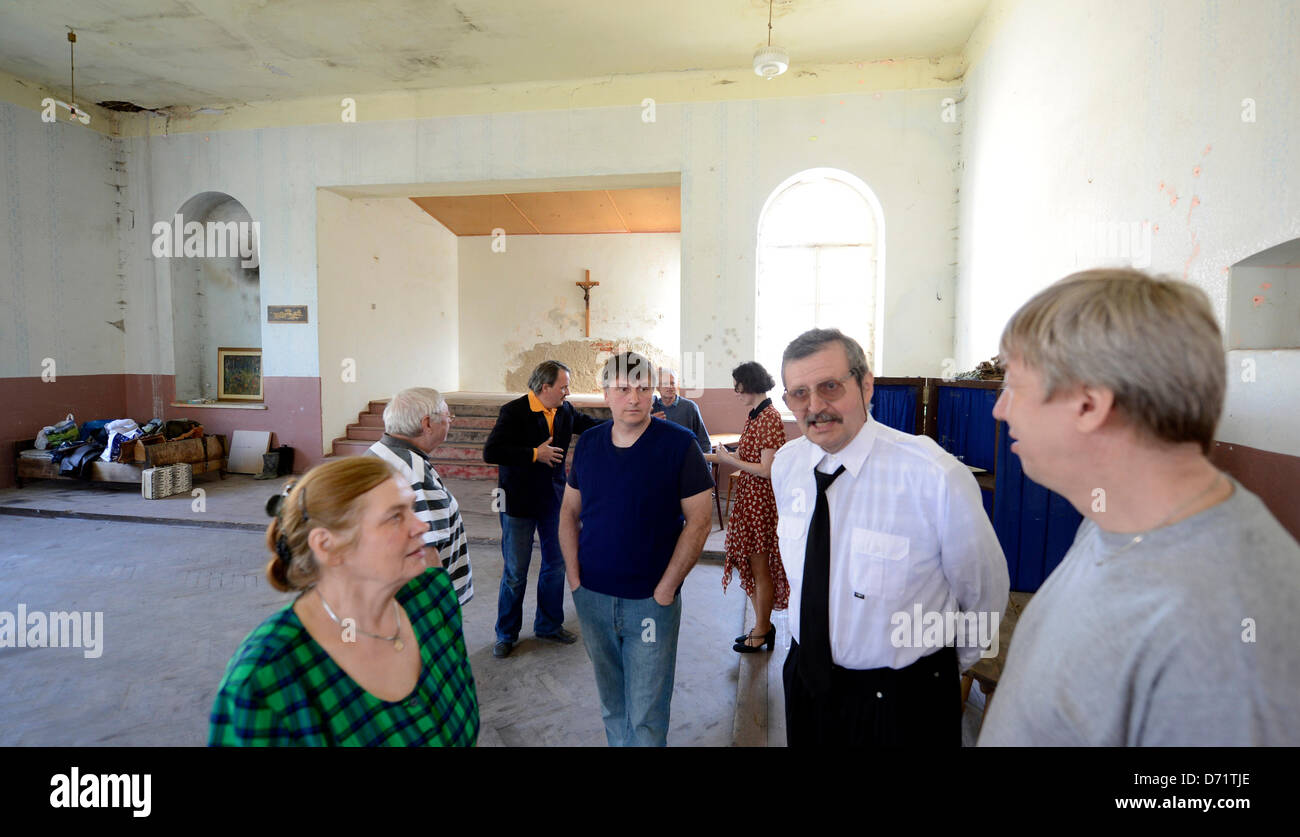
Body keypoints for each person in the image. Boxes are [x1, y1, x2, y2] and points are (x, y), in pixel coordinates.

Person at [978, 269, 1300, 746]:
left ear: (1089, 405)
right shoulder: (1113, 518)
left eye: (1014, 385)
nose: (999, 410)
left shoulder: (1226, 630)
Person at [771, 328, 1008, 747]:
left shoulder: (933, 476)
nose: (815, 406)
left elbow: (984, 594)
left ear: (865, 385)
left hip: (905, 700)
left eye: (830, 386)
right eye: (799, 393)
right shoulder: (788, 466)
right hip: (806, 681)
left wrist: (936, 672)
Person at [209, 457, 479, 746]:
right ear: (327, 546)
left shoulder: (430, 597)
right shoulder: (267, 679)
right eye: (395, 517)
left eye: (411, 509)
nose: (421, 526)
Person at [560, 351, 714, 746]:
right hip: (592, 597)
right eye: (624, 389)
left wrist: (665, 589)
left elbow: (699, 521)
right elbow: (568, 512)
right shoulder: (591, 444)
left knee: (645, 712)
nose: (634, 397)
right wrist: (575, 578)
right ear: (606, 393)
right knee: (612, 702)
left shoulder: (680, 446)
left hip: (650, 602)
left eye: (643, 388)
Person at [482, 360, 605, 658]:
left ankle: (548, 625)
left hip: (554, 500)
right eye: (563, 386)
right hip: (518, 502)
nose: (567, 392)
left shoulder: (564, 410)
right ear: (544, 387)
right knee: (515, 571)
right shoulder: (513, 412)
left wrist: (628, 421)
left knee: (556, 565)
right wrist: (535, 453)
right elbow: (492, 452)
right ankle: (506, 633)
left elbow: (589, 425)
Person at [703, 361, 788, 652]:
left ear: (750, 385)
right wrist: (704, 456)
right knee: (750, 565)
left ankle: (763, 630)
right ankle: (762, 624)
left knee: (760, 567)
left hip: (761, 502)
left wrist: (728, 460)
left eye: (738, 385)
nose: (735, 390)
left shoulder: (770, 417)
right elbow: (740, 455)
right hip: (749, 499)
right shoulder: (756, 415)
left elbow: (766, 469)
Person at [366, 387, 472, 606]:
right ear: (427, 424)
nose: (450, 422)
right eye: (447, 417)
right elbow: (427, 547)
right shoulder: (413, 471)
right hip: (420, 599)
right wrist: (440, 612)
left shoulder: (377, 452)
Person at [652, 367, 711, 453]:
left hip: (686, 460)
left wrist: (707, 465)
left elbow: (704, 441)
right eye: (665, 383)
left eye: (673, 383)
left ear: (677, 385)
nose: (669, 387)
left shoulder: (690, 407)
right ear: (657, 387)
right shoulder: (652, 408)